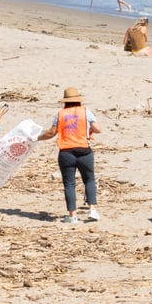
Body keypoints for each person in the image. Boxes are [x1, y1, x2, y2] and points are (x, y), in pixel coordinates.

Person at [38, 87, 102, 224]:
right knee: (89, 179)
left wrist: (37, 138)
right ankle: (92, 210)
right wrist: (88, 129)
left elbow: (51, 133)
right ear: (78, 100)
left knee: (69, 184)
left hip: (66, 152)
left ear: (65, 101)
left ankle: (72, 216)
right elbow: (98, 129)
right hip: (84, 150)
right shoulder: (86, 112)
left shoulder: (60, 114)